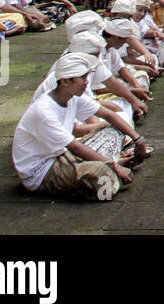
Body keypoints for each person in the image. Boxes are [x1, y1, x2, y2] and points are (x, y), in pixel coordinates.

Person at [13, 52, 146, 200]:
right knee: (103, 176)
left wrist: (138, 140)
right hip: (42, 171)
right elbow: (74, 147)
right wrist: (113, 166)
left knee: (114, 129)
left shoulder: (74, 97)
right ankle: (110, 168)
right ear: (65, 82)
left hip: (62, 154)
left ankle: (108, 166)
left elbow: (109, 115)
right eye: (82, 78)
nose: (86, 82)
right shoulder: (44, 111)